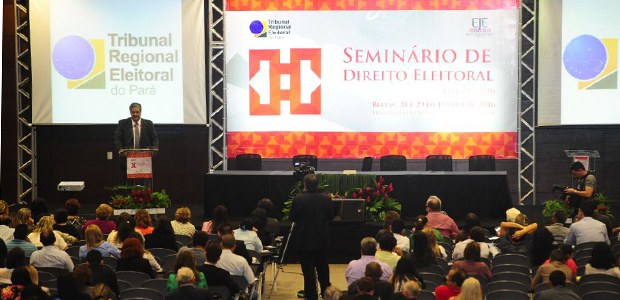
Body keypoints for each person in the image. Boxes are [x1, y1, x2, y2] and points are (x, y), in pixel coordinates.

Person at [289, 173, 334, 300]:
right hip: (321, 240)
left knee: (308, 274)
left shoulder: (298, 199)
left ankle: (311, 296)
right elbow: (331, 216)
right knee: (323, 271)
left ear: (305, 185)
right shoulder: (326, 198)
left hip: (305, 241)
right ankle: (326, 295)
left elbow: (292, 217)